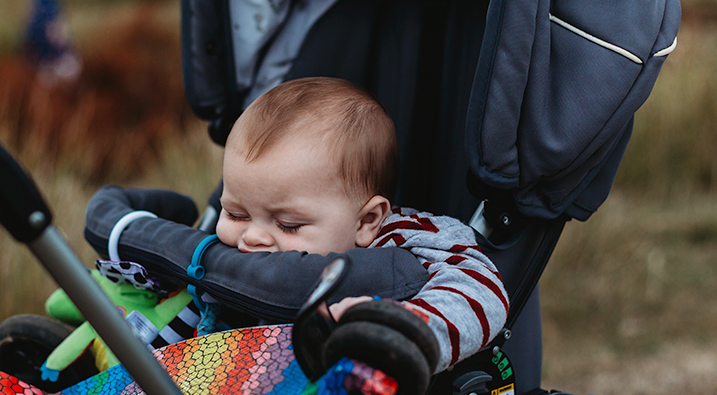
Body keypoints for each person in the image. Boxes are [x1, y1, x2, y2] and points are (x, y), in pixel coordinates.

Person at [212, 76, 507, 374]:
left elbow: (482, 292)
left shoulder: (409, 237)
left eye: (288, 225)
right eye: (235, 214)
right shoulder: (229, 252)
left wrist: (398, 331)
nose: (253, 236)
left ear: (367, 220)